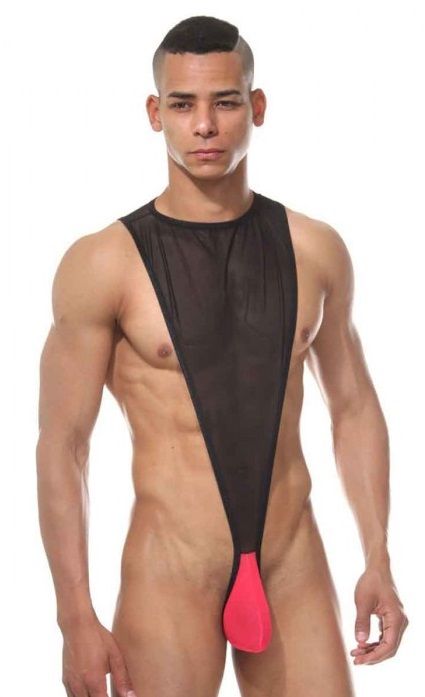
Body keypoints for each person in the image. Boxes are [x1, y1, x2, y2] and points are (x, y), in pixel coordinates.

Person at [36, 14, 408, 697]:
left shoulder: (316, 250)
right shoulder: (104, 264)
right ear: (156, 114)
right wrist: (74, 616)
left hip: (293, 565)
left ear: (256, 106)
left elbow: (353, 408)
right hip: (169, 573)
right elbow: (63, 446)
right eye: (182, 104)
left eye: (225, 102)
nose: (204, 125)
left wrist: (378, 557)